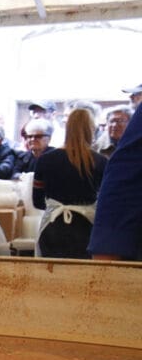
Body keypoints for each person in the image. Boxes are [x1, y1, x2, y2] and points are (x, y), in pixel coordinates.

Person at [32, 108, 106, 259]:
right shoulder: (100, 161)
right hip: (87, 229)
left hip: (53, 227)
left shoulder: (45, 160)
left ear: (67, 128)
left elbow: (37, 201)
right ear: (91, 130)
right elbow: (105, 202)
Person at [89, 105, 142, 260]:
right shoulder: (97, 152)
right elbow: (124, 179)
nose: (114, 125)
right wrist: (107, 243)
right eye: (112, 121)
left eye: (120, 121)